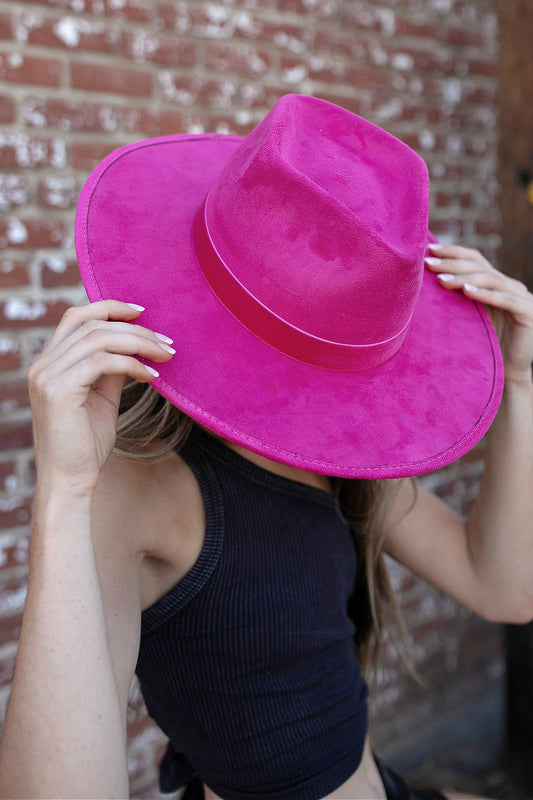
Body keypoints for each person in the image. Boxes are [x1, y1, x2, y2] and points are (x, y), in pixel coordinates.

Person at [1, 94, 532, 800]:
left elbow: (503, 587)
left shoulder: (338, 449)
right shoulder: (140, 488)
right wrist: (63, 497)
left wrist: (520, 381)